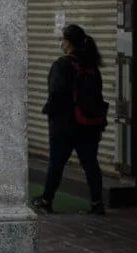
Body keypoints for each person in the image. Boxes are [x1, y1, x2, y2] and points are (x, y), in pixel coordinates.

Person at [31, 24, 108, 215]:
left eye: (62, 39)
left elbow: (55, 92)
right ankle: (97, 203)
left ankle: (46, 200)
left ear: (68, 42)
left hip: (64, 124)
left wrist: (51, 113)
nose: (60, 43)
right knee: (90, 163)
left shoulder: (62, 64)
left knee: (56, 163)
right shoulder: (91, 65)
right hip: (89, 124)